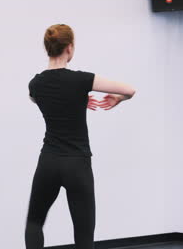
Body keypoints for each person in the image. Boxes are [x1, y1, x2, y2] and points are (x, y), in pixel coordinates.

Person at [25, 24, 136, 249]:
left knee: (35, 222)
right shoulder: (81, 80)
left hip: (48, 161)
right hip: (77, 163)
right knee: (83, 233)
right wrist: (117, 99)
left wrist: (75, 100)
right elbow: (129, 90)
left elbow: (35, 99)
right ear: (69, 48)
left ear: (48, 48)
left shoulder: (36, 83)